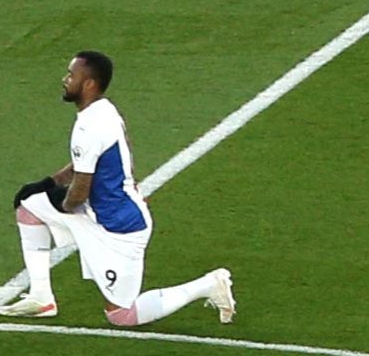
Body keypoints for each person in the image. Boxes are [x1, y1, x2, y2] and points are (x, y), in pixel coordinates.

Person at [12, 52, 233, 329]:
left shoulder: (90, 126)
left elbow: (79, 191)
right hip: (100, 210)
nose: (65, 80)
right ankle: (41, 297)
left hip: (120, 229)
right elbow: (96, 159)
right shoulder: (104, 110)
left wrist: (65, 207)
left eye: (72, 75)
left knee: (121, 315)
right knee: (29, 208)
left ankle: (209, 284)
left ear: (89, 84)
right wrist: (48, 184)